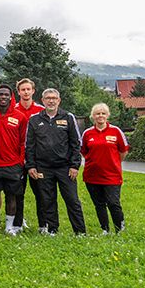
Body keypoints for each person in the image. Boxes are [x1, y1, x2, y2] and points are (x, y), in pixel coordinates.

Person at [25, 88, 87, 236]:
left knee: (72, 200)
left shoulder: (68, 117)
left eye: (54, 98)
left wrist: (74, 165)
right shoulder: (34, 119)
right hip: (43, 168)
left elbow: (76, 143)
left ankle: (80, 232)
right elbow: (30, 146)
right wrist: (31, 166)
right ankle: (52, 229)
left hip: (65, 168)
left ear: (59, 101)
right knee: (48, 200)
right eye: (48, 98)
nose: (51, 101)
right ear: (43, 100)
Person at [81, 103, 130, 234]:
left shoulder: (116, 131)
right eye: (97, 113)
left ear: (107, 115)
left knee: (113, 203)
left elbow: (123, 151)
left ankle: (120, 228)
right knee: (99, 204)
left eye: (103, 113)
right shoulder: (87, 133)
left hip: (112, 175)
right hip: (92, 176)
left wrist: (113, 162)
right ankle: (105, 229)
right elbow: (84, 151)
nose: (100, 116)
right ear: (93, 116)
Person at [0, 84, 28, 235]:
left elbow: (24, 141)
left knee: (12, 197)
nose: (3, 97)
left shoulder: (19, 117)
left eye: (6, 95)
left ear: (11, 97)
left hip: (13, 165)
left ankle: (9, 226)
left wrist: (20, 161)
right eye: (0, 94)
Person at [14, 77, 46, 232]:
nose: (26, 92)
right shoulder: (12, 109)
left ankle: (43, 224)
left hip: (37, 158)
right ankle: (18, 223)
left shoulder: (41, 110)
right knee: (18, 193)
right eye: (23, 89)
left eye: (28, 89)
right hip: (17, 157)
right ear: (18, 92)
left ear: (33, 91)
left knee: (40, 192)